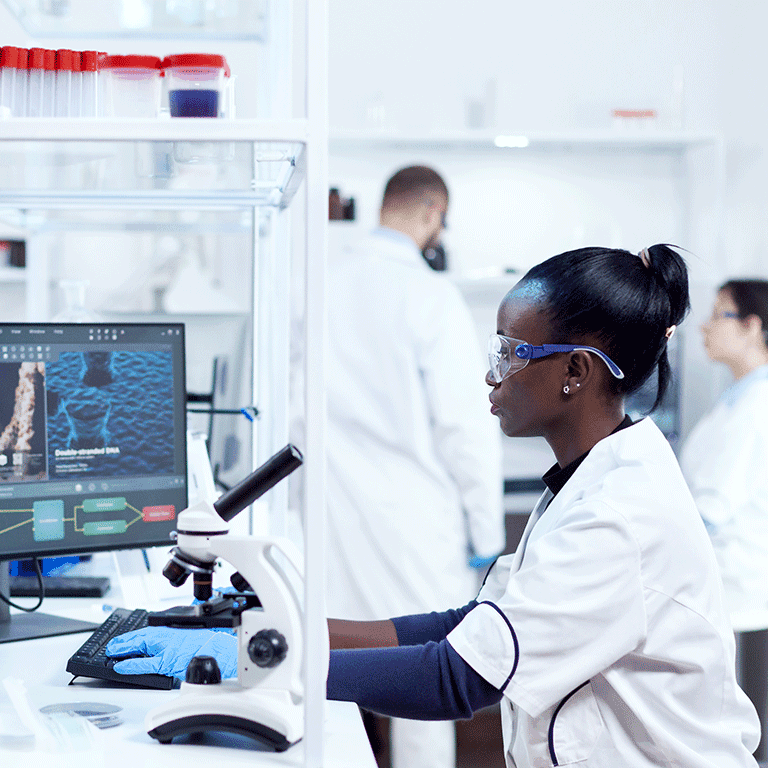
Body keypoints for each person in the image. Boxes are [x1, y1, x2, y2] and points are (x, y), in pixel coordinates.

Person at [106, 244, 760, 767]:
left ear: (576, 373)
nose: (491, 374)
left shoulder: (617, 514)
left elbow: (457, 677)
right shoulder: (590, 478)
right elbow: (467, 625)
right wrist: (274, 629)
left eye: (510, 353)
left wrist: (255, 664)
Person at [320, 165, 505, 768]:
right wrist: (487, 535)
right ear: (433, 214)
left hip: (330, 513)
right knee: (422, 687)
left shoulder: (320, 284)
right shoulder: (430, 295)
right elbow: (466, 428)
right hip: (414, 521)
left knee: (329, 675)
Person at [679, 279, 768, 761]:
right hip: (731, 587)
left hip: (742, 589)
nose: (705, 327)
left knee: (744, 737)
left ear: (753, 327)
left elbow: (711, 506)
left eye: (719, 314)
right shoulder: (740, 397)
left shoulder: (757, 405)